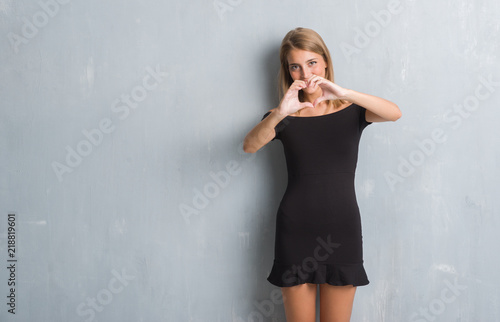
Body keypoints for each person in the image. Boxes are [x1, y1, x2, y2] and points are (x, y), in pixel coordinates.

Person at [243, 27, 401, 322]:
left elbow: (394, 113)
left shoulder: (353, 110)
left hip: (342, 229)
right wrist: (279, 113)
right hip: (295, 228)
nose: (305, 73)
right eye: (295, 66)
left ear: (325, 62)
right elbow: (249, 146)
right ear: (288, 72)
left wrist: (344, 92)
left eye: (312, 63)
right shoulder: (283, 116)